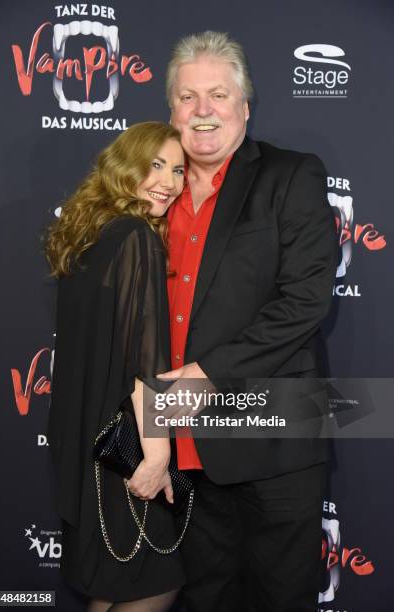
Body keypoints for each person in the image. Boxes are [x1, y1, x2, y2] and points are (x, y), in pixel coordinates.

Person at [157, 32, 339, 611]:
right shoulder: (153, 192)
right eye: (188, 97)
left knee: (280, 597)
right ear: (172, 111)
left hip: (273, 440)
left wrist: (207, 373)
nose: (203, 110)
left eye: (217, 94)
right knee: (207, 596)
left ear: (244, 107)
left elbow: (305, 301)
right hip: (184, 443)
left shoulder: (290, 176)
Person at [45, 122, 186, 612]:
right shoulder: (136, 239)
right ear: (127, 166)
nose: (168, 181)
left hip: (84, 444)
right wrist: (157, 457)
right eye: (156, 165)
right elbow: (144, 364)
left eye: (178, 169)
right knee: (155, 584)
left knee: (112, 586)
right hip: (121, 450)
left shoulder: (87, 235)